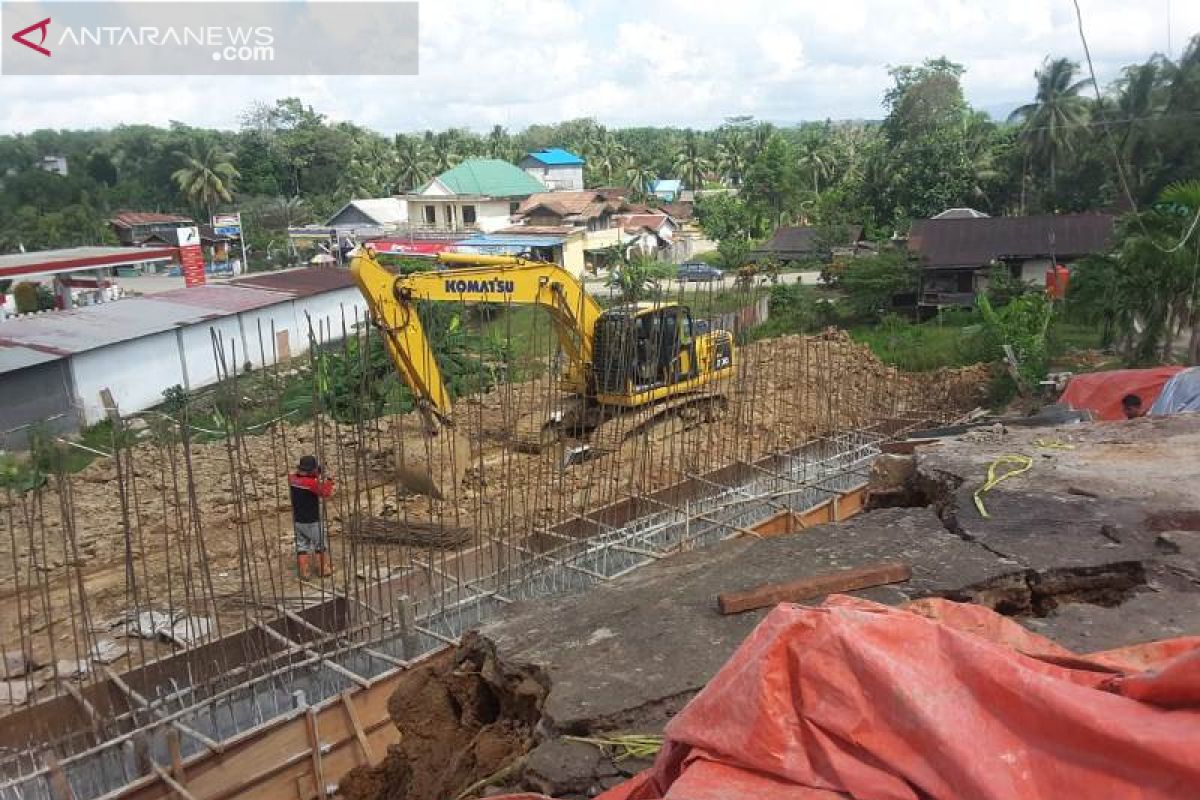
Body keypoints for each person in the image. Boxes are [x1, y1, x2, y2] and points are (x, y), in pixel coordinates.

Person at [288, 455, 335, 579]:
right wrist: (329, 480)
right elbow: (325, 492)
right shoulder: (310, 483)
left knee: (302, 546)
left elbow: (301, 476)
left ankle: (304, 573)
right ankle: (323, 569)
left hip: (298, 520)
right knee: (320, 545)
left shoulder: (292, 479)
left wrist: (316, 474)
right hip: (312, 521)